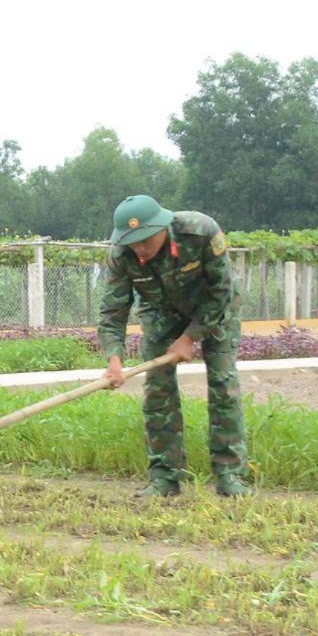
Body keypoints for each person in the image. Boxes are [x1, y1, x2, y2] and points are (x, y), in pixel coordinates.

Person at [98, 195, 248, 498]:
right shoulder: (121, 255)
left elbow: (221, 291)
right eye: (132, 243)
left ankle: (230, 475)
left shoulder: (200, 231)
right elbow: (113, 312)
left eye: (145, 240)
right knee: (158, 391)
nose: (140, 249)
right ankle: (165, 477)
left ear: (162, 227)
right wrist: (114, 358)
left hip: (215, 309)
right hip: (161, 313)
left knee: (223, 385)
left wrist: (190, 337)